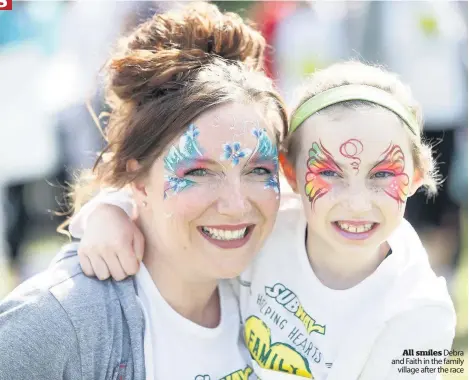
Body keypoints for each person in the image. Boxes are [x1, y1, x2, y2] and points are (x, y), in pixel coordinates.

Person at [70, 60, 457, 379]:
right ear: (289, 174)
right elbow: (153, 192)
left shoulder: (421, 314)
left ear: (417, 177)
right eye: (330, 173)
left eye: (382, 174)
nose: (357, 203)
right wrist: (109, 214)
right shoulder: (271, 223)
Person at [0, 3, 289, 379]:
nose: (236, 205)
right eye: (200, 171)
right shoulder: (59, 319)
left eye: (258, 170)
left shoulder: (283, 288)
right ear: (138, 180)